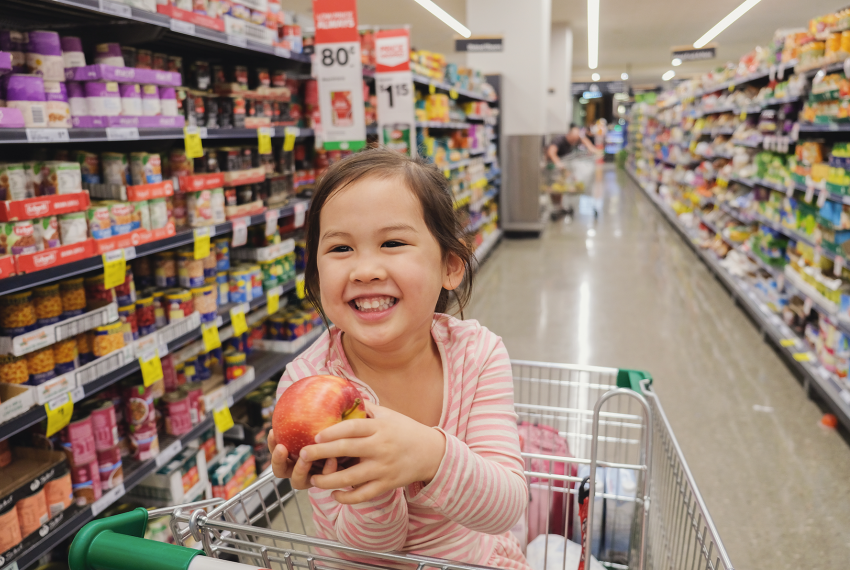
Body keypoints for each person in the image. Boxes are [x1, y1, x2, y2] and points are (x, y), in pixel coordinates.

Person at [267, 148, 530, 570]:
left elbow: (504, 509)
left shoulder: (477, 356)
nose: (364, 270)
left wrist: (427, 455)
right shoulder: (307, 380)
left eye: (393, 242)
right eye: (339, 248)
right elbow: (363, 550)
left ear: (450, 265)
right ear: (315, 275)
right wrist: (375, 477)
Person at [545, 124, 596, 219]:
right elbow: (551, 152)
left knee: (562, 186)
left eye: (576, 140)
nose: (574, 142)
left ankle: (559, 207)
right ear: (569, 135)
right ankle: (557, 207)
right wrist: (558, 163)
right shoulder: (559, 140)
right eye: (573, 139)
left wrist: (591, 148)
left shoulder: (574, 139)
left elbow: (583, 139)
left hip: (564, 166)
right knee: (555, 187)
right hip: (554, 167)